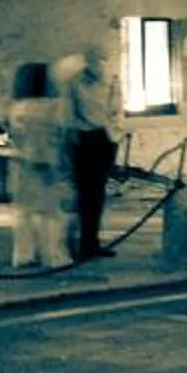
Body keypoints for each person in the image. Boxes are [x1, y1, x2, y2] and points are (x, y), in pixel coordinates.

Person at [4, 60, 75, 270]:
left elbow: (15, 137)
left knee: (23, 214)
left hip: (20, 164)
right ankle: (54, 256)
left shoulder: (16, 108)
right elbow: (59, 136)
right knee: (52, 214)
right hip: (46, 163)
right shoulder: (53, 108)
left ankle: (23, 256)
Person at [59, 48, 117, 259]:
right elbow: (69, 114)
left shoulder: (106, 83)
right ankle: (78, 245)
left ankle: (91, 242)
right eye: (94, 61)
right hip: (84, 139)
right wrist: (71, 139)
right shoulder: (75, 85)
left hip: (102, 138)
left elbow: (111, 111)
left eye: (99, 62)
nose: (98, 66)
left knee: (97, 196)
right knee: (83, 195)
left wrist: (112, 136)